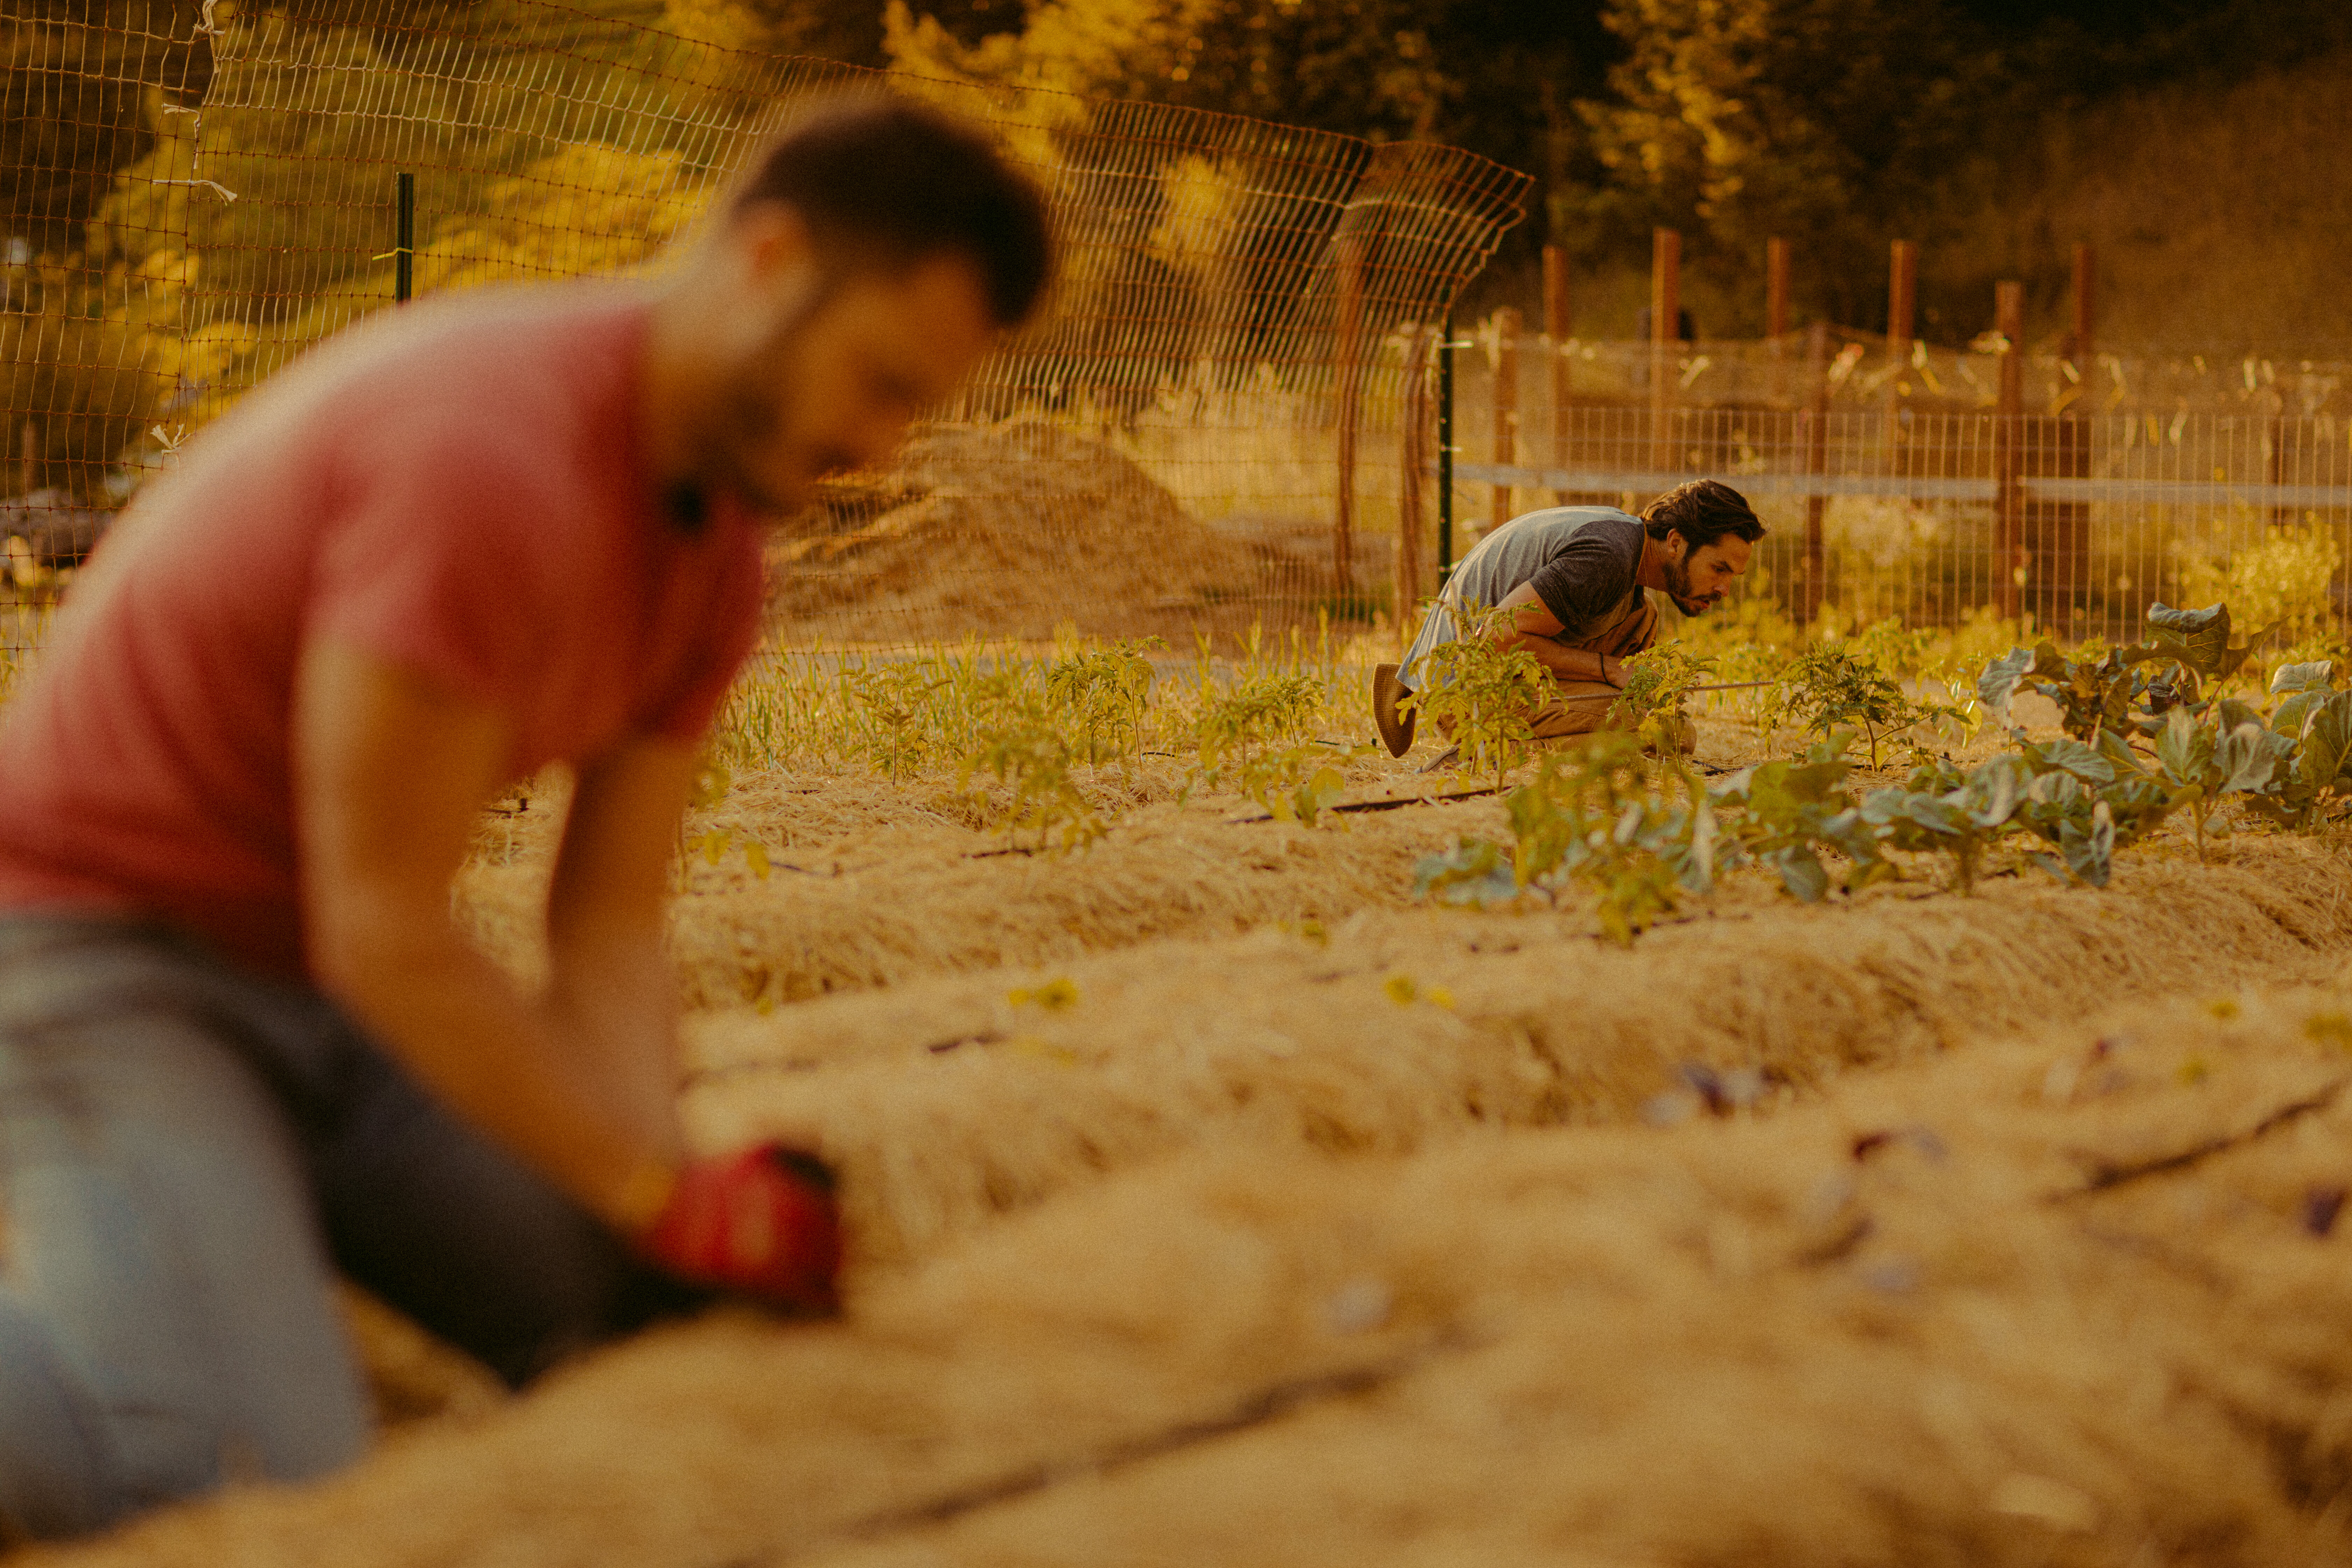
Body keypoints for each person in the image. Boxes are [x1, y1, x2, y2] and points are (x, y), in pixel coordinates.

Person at [0, 97, 1050, 1541]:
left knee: (652, 1330)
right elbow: (387, 922)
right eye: (873, 381)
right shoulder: (486, 462)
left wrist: (672, 1202)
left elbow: (607, 921)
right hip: (96, 950)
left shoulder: (718, 551)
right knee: (233, 1460)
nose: (877, 445)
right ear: (768, 259)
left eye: (913, 406)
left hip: (320, 984)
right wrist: (640, 1183)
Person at [1373, 479, 1763, 760]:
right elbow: (1496, 636)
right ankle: (1493, 751)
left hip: (1489, 671)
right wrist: (1608, 670)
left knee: (1643, 621)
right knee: (1668, 733)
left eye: (1732, 577)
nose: (1724, 589)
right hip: (1469, 693)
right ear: (1676, 543)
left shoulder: (1627, 550)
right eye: (1719, 569)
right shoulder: (1607, 558)